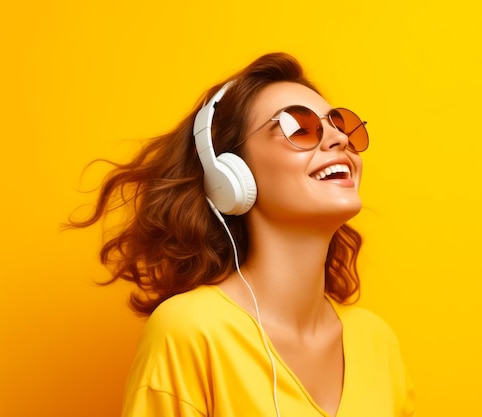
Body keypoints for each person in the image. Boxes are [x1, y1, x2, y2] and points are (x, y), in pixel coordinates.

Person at [69, 52, 415, 417]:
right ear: (230, 175)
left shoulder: (377, 340)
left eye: (341, 125)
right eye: (299, 127)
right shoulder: (190, 331)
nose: (338, 140)